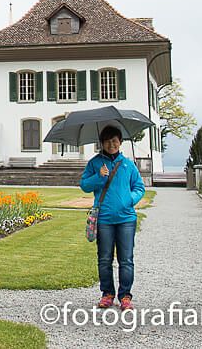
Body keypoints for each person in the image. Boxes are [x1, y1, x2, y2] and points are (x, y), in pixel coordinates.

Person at [79, 124, 146, 311]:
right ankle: (107, 293)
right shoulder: (94, 163)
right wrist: (99, 178)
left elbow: (139, 187)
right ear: (102, 143)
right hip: (105, 219)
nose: (112, 144)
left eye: (115, 141)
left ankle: (125, 296)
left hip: (126, 218)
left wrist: (129, 200)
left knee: (126, 259)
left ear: (120, 142)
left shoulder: (128, 165)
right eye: (108, 141)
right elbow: (84, 185)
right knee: (104, 258)